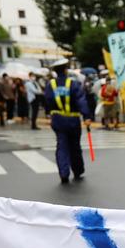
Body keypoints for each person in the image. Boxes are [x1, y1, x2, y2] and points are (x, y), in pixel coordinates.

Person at [44, 55, 93, 185]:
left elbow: (47, 101)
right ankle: (78, 171)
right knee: (75, 146)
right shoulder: (73, 84)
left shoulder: (50, 85)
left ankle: (64, 173)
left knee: (62, 145)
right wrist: (86, 116)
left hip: (58, 119)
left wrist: (49, 114)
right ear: (66, 70)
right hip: (72, 119)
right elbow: (81, 100)